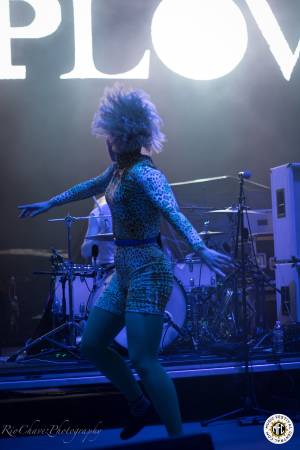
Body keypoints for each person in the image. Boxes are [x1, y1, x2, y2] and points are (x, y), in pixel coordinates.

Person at [18, 84, 233, 440]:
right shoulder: (118, 170)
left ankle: (179, 440)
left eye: (109, 135)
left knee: (144, 360)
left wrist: (199, 247)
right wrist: (48, 203)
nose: (106, 141)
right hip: (125, 271)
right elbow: (88, 186)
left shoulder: (145, 174)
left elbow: (172, 211)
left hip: (150, 270)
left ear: (120, 136)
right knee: (90, 344)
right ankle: (138, 404)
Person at [81, 195, 114, 266]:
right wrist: (101, 232)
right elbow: (85, 252)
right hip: (104, 268)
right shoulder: (97, 212)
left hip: (126, 267)